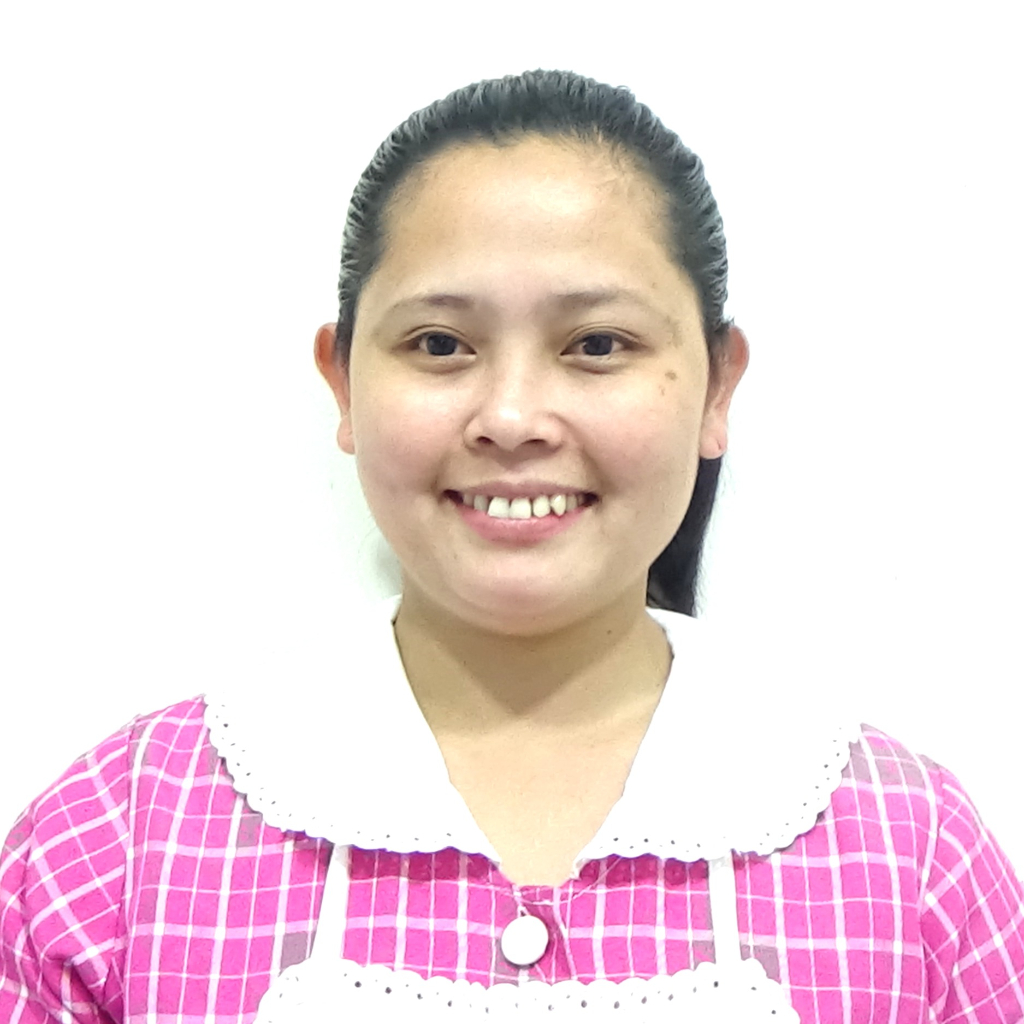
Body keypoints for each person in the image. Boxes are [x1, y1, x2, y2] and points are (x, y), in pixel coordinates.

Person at [2, 68, 1023, 1023]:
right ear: (344, 383)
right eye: (440, 344)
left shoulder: (913, 857)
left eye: (598, 344)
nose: (512, 416)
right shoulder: (116, 840)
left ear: (717, 387)